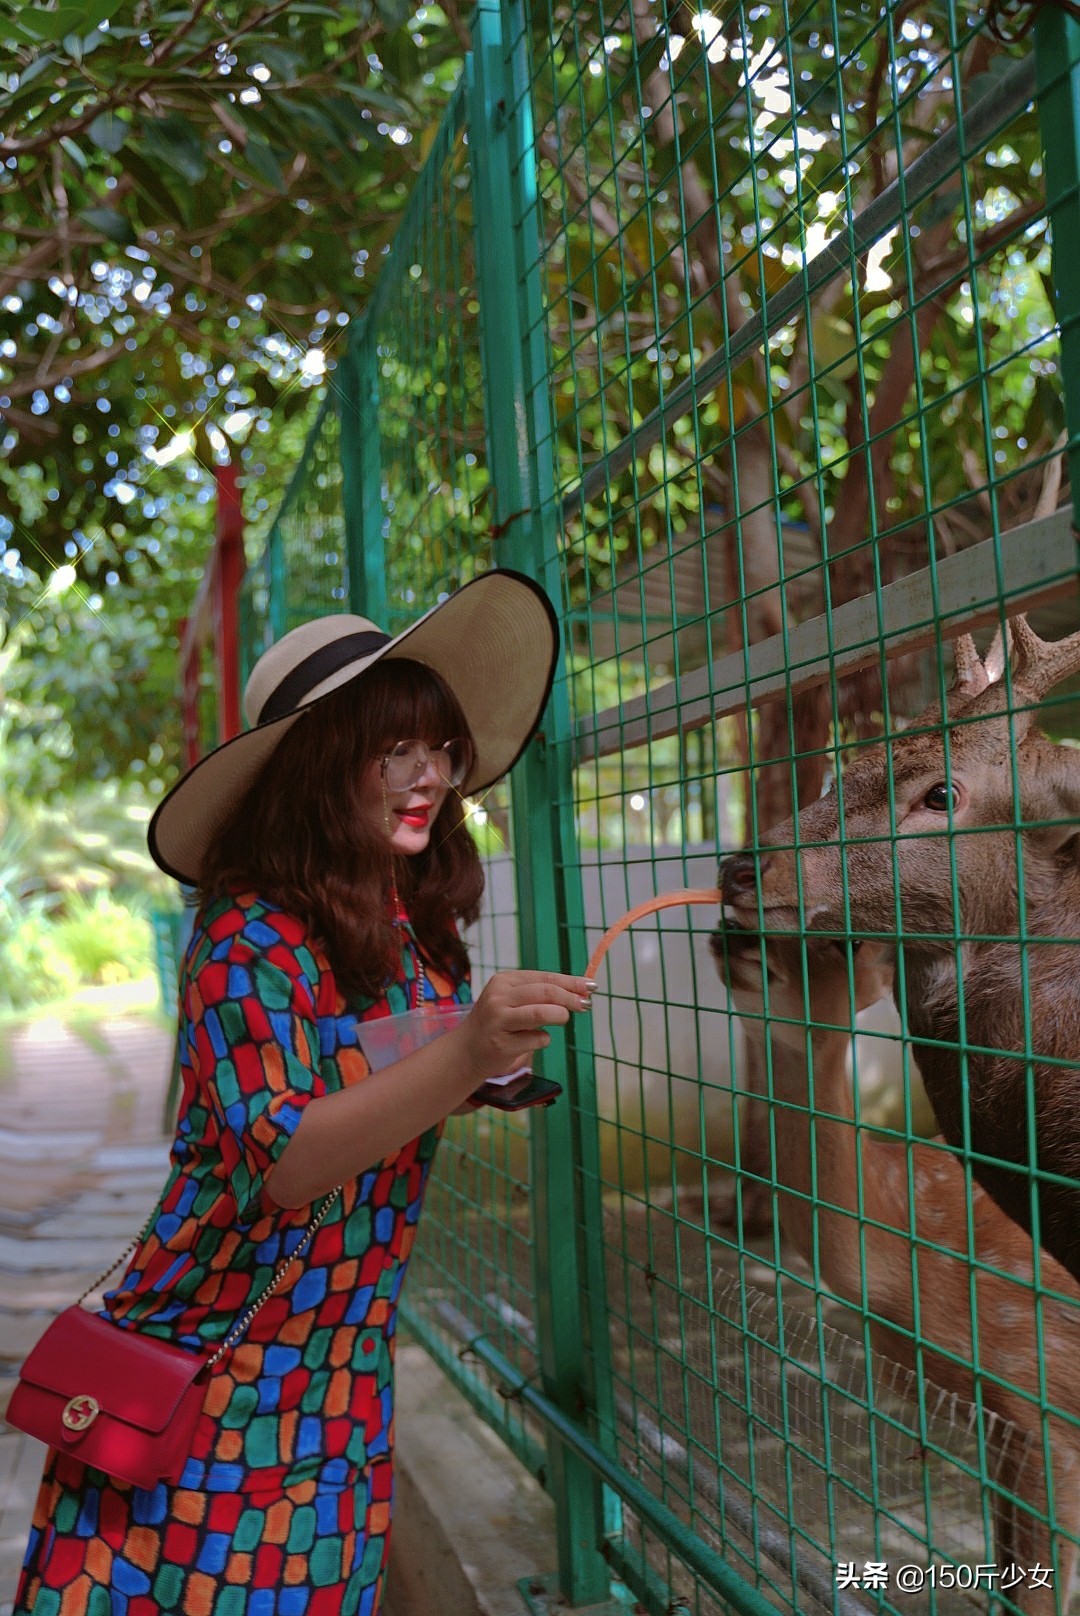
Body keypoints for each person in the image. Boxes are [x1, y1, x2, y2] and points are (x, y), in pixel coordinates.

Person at [14, 570, 592, 1616]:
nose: (430, 777)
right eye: (394, 751)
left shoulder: (409, 928)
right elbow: (283, 1160)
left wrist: (472, 1073)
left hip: (340, 1380)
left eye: (442, 747)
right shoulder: (245, 939)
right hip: (208, 1372)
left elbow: (379, 1077)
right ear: (323, 768)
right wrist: (460, 1054)